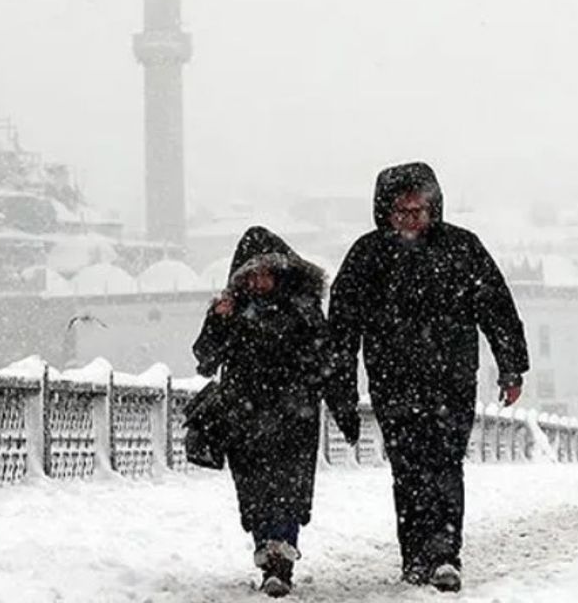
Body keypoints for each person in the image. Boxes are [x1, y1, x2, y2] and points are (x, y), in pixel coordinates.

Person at [328, 162, 529, 593]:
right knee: (408, 467)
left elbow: (496, 307)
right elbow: (341, 327)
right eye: (402, 212)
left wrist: (511, 365)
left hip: (450, 380)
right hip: (393, 381)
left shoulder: (461, 248)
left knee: (444, 463)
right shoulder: (367, 256)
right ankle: (415, 554)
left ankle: (443, 553)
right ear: (386, 212)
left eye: (419, 210)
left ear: (433, 208)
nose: (411, 220)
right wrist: (340, 387)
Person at [193, 226, 361, 598]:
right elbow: (205, 361)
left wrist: (344, 409)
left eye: (266, 271)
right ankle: (267, 550)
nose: (259, 281)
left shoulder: (304, 311)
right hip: (245, 418)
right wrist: (218, 319)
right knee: (254, 493)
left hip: (294, 417)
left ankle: (279, 561)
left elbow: (328, 363)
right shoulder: (232, 311)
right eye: (251, 274)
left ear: (282, 271)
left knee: (288, 490)